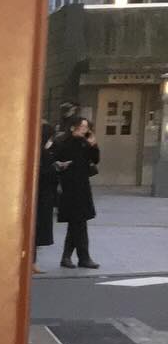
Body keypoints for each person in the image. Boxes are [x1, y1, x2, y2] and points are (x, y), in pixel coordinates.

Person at [54, 115, 100, 270]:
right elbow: (55, 160)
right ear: (73, 127)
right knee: (78, 223)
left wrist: (93, 145)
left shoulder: (85, 143)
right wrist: (61, 165)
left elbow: (95, 160)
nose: (85, 130)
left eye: (87, 127)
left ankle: (70, 257)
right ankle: (82, 257)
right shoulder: (63, 142)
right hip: (68, 186)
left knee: (78, 223)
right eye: (82, 127)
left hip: (82, 186)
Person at [32, 122, 57, 274]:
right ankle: (32, 262)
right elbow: (48, 175)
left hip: (39, 197)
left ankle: (32, 261)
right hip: (42, 198)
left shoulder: (37, 152)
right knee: (35, 231)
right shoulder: (44, 154)